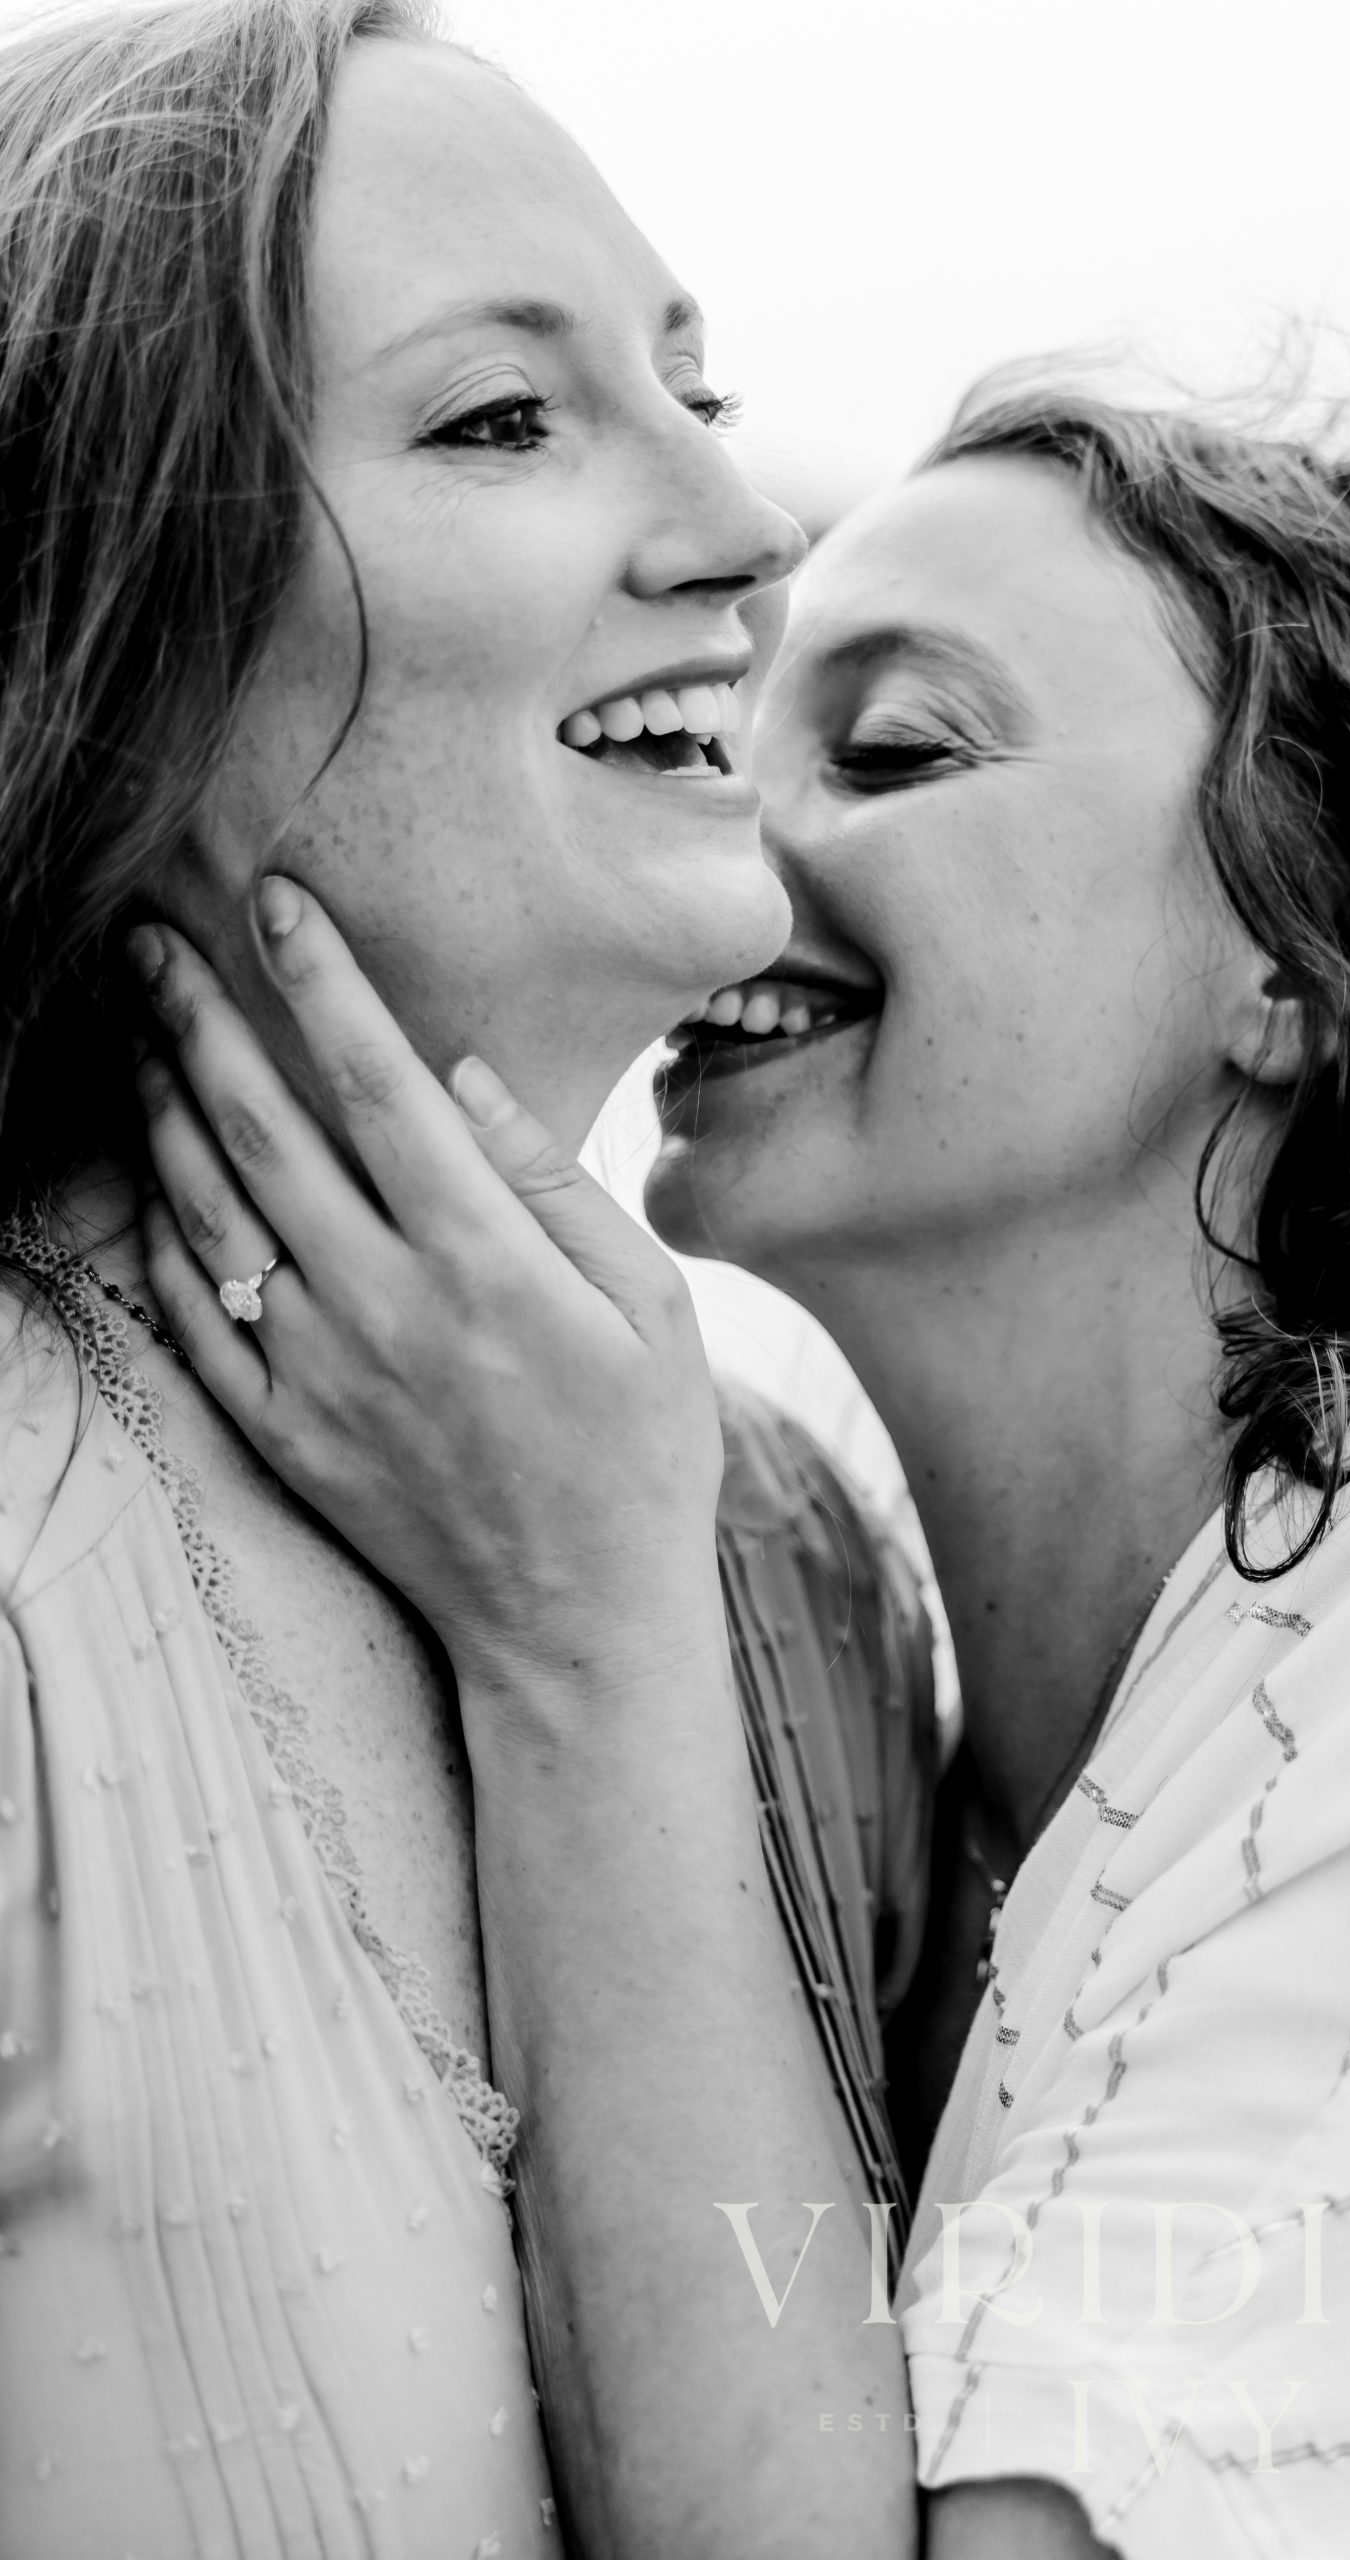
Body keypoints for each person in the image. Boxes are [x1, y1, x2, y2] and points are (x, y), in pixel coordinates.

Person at [139, 379, 1350, 2556]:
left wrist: (582, 1637)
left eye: (888, 752)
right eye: (720, 737)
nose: (712, 868)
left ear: (1308, 951)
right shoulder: (873, 1700)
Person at [0, 2, 936, 2550]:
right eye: (505, 417)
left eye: (694, 392)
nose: (740, 526)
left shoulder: (789, 1550)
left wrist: (605, 1625)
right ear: (101, 619)